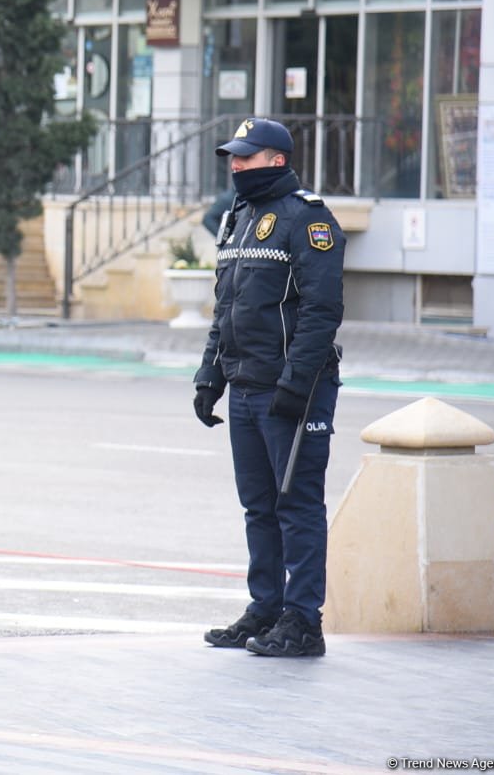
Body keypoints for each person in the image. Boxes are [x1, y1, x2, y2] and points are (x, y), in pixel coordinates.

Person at [194, 117, 344, 660]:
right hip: (244, 385)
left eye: (246, 157)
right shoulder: (239, 216)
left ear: (277, 160)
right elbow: (227, 306)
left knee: (296, 505)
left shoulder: (307, 219)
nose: (235, 165)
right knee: (258, 506)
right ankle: (265, 607)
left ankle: (303, 621)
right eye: (233, 157)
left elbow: (323, 310)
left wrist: (296, 385)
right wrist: (210, 373)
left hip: (292, 392)